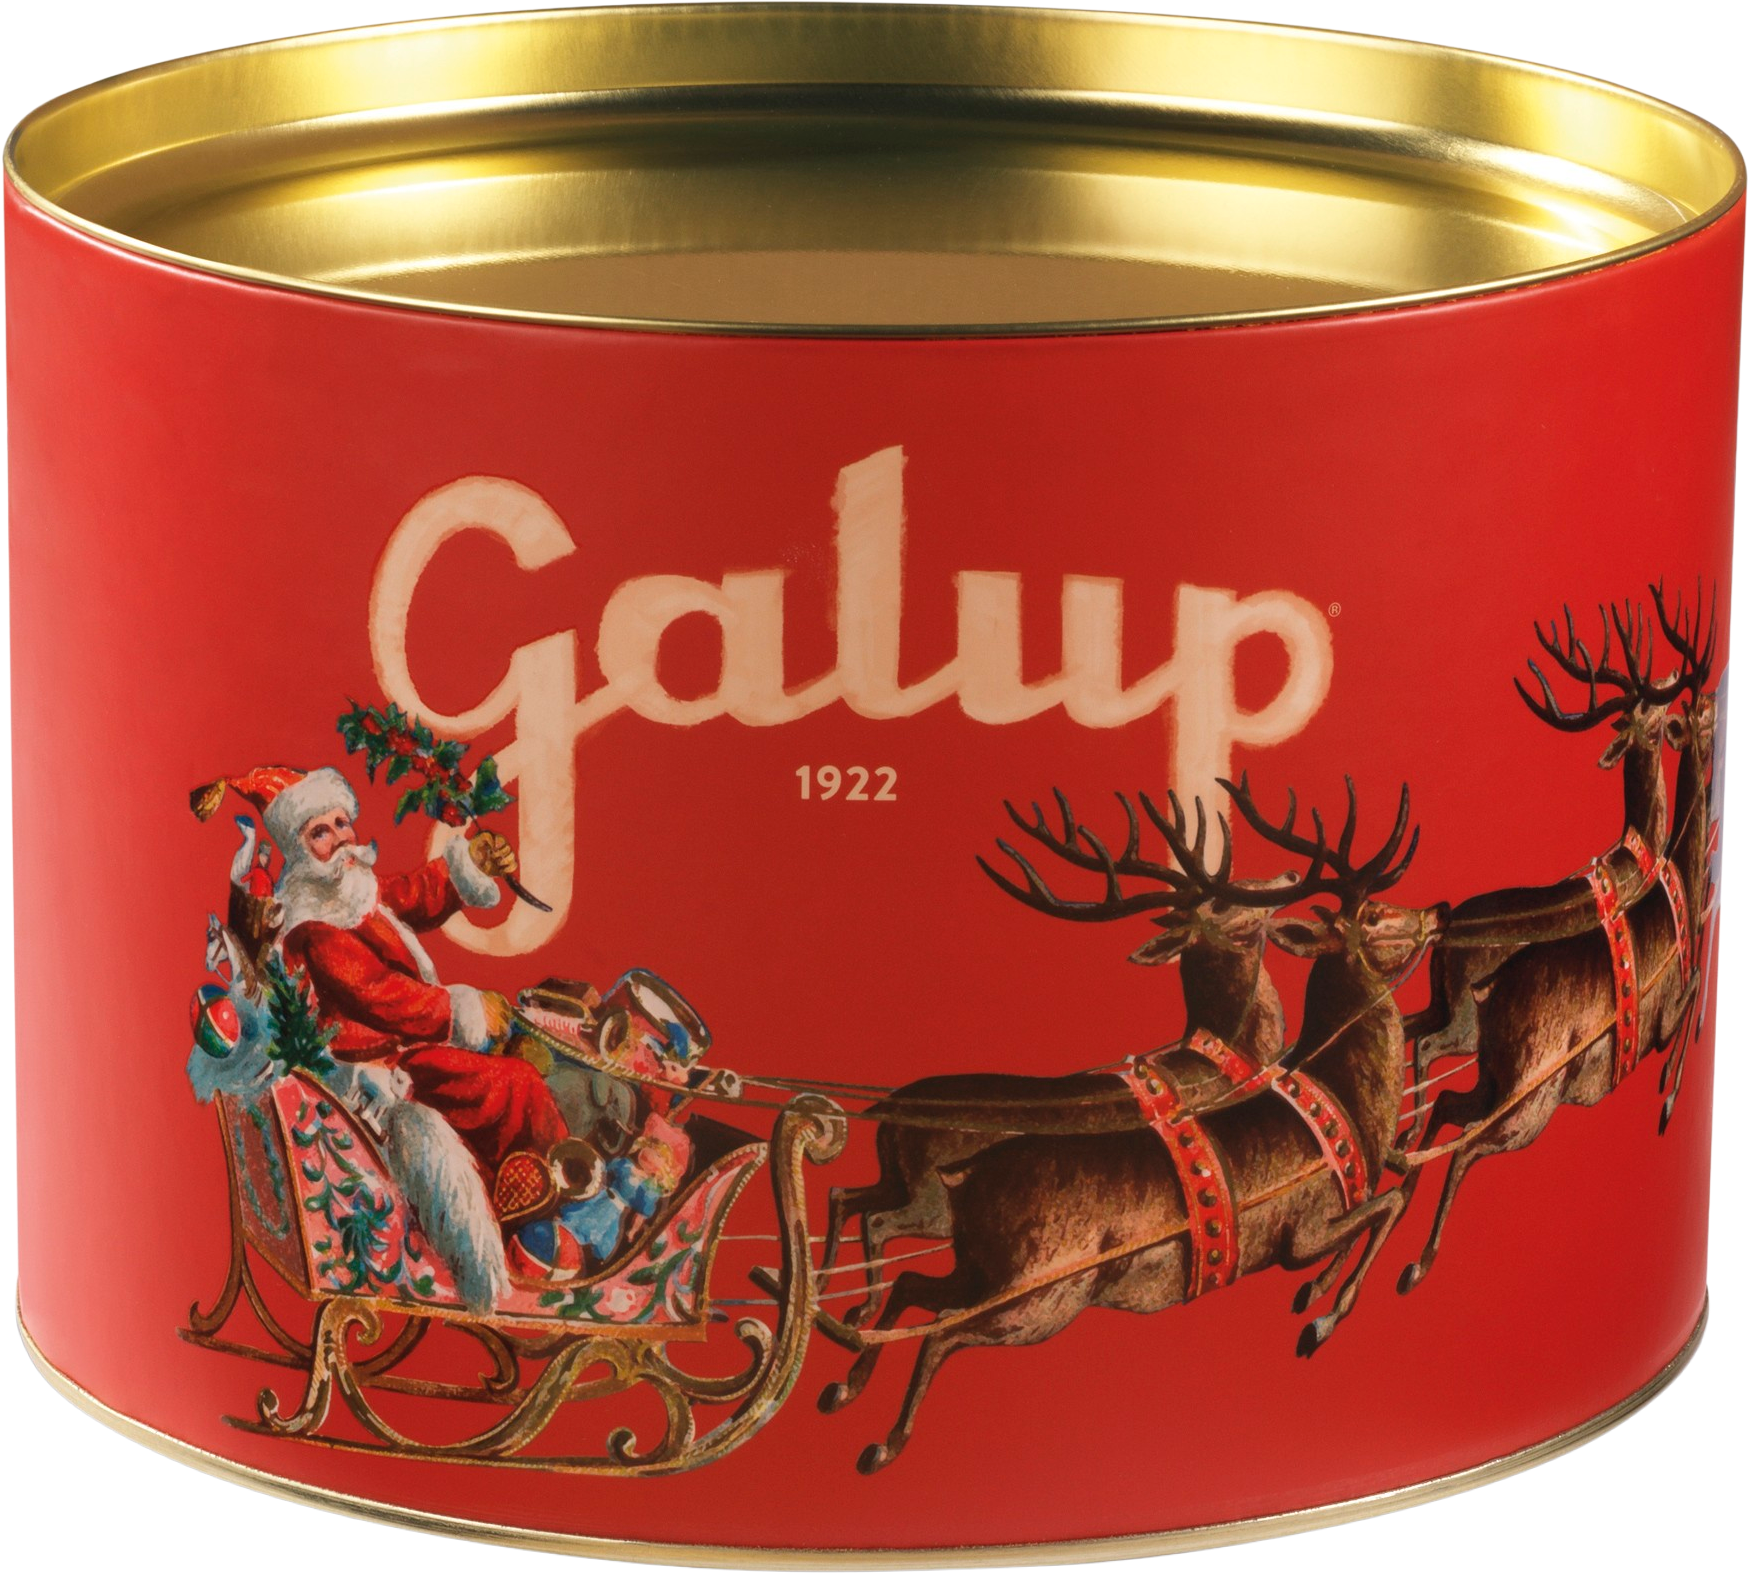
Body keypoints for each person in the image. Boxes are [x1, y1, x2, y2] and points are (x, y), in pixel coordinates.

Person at [191, 764, 567, 1196]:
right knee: (513, 1086)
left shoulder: (348, 890)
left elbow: (410, 895)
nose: (341, 838)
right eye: (320, 832)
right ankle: (555, 1198)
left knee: (530, 1059)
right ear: (298, 850)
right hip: (383, 1070)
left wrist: (471, 865)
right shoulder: (311, 927)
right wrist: (465, 1009)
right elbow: (380, 996)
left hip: (413, 1044)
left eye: (341, 822)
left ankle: (531, 1182)